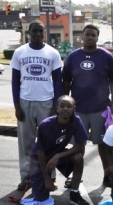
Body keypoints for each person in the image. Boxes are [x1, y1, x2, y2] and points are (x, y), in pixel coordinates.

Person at [62, 24, 113, 186]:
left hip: (100, 109)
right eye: (87, 34)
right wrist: (66, 102)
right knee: (77, 146)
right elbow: (65, 81)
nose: (90, 37)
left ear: (97, 37)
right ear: (82, 36)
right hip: (78, 109)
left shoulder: (106, 56)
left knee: (104, 146)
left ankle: (108, 174)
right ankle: (73, 177)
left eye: (93, 35)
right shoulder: (73, 57)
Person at [11, 20, 63, 191]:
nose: (38, 35)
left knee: (47, 142)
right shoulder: (19, 52)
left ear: (45, 33)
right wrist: (17, 105)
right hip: (25, 102)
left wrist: (56, 105)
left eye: (41, 32)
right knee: (25, 143)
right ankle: (26, 177)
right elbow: (15, 81)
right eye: (34, 31)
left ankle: (49, 176)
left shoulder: (53, 53)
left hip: (46, 102)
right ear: (29, 32)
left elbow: (57, 81)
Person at [29, 95, 90, 205]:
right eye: (62, 106)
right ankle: (35, 177)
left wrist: (58, 155)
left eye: (69, 106)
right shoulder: (45, 124)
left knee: (78, 158)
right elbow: (40, 153)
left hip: (58, 154)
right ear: (57, 108)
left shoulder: (76, 120)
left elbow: (80, 147)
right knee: (40, 199)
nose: (65, 109)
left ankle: (75, 193)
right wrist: (47, 179)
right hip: (40, 159)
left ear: (73, 108)